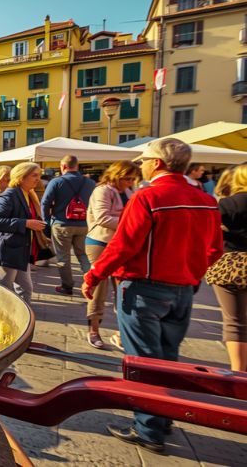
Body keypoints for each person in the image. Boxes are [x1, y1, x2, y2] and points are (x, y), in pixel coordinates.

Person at [82, 139, 223, 453]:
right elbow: (214, 250)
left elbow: (123, 245)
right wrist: (191, 274)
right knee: (168, 358)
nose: (140, 164)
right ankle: (163, 417)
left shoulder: (149, 196)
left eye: (144, 159)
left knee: (144, 361)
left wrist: (94, 274)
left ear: (157, 163)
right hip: (184, 290)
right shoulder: (205, 199)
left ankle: (149, 429)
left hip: (144, 289)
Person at [83, 161, 138, 349]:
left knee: (123, 288)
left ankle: (121, 332)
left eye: (132, 179)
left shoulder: (130, 191)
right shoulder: (102, 191)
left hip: (122, 243)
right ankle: (94, 329)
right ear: (116, 175)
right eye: (126, 178)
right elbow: (102, 217)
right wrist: (132, 223)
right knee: (99, 287)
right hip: (100, 242)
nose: (129, 182)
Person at [0, 163, 48, 304]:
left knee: (25, 289)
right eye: (34, 175)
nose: (38, 179)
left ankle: (21, 318)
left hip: (20, 249)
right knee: (2, 289)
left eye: (39, 175)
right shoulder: (10, 194)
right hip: (8, 250)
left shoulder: (29, 194)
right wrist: (26, 223)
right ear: (21, 177)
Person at [207, 163, 247, 372]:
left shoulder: (229, 204)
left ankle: (239, 373)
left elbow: (208, 231)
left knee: (235, 322)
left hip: (232, 264)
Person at [41, 155, 96, 296]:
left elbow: (45, 203)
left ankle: (67, 286)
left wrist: (47, 221)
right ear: (77, 166)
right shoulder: (89, 183)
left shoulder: (57, 182)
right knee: (83, 255)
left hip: (62, 224)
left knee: (63, 257)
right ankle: (92, 283)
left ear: (63, 166)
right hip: (84, 224)